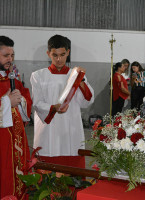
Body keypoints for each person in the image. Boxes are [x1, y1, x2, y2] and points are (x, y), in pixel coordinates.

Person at [30, 34, 94, 168]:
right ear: (48, 54)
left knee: (72, 169)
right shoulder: (38, 76)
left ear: (68, 53)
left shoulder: (76, 75)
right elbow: (37, 103)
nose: (59, 59)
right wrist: (54, 108)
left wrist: (81, 81)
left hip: (71, 128)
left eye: (63, 54)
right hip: (48, 129)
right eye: (55, 55)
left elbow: (86, 101)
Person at [0, 36, 32, 199]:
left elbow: (26, 97)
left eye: (12, 55)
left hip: (16, 139)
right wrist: (6, 102)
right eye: (6, 55)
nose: (10, 59)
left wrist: (21, 101)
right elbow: (7, 101)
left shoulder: (11, 78)